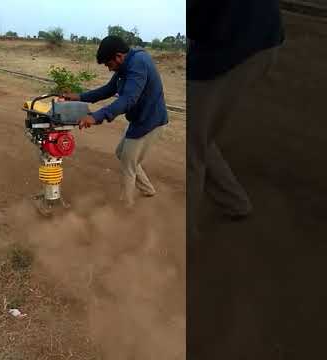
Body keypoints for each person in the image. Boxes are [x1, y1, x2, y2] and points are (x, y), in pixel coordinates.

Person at [187, 0, 284, 235]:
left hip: (233, 45)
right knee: (199, 132)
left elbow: (197, 19)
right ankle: (234, 201)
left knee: (191, 147)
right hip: (266, 35)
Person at [62, 35, 168, 208]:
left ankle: (125, 208)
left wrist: (96, 117)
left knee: (127, 161)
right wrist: (80, 97)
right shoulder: (124, 67)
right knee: (122, 153)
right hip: (139, 119)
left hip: (151, 121)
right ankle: (148, 189)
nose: (109, 69)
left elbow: (127, 100)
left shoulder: (138, 64)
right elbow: (108, 90)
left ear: (119, 56)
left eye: (108, 64)